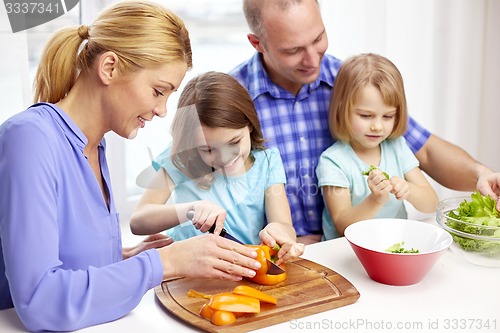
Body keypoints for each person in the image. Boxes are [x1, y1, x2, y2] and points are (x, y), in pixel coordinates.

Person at [0, 2, 262, 331]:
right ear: (109, 68)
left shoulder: (95, 146)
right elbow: (40, 299)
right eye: (158, 91)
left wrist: (126, 257)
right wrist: (164, 263)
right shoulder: (30, 138)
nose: (163, 110)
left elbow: (67, 258)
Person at [230, 0, 500, 243]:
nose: (313, 59)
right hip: (275, 253)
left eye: (319, 38)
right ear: (258, 44)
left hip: (354, 249)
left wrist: (481, 174)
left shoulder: (351, 82)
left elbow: (424, 148)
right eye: (294, 50)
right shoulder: (231, 98)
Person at [130, 71, 304, 262]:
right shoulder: (181, 158)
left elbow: (285, 226)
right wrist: (191, 210)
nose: (224, 157)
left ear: (250, 125)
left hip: (243, 268)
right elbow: (138, 221)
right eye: (208, 149)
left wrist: (279, 231)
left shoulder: (267, 163)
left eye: (234, 142)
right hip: (187, 269)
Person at [316, 53, 439, 239]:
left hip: (394, 245)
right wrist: (375, 200)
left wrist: (408, 189)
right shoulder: (333, 161)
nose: (378, 126)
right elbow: (342, 224)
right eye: (366, 116)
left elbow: (431, 203)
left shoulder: (397, 147)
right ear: (342, 109)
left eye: (388, 116)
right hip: (345, 252)